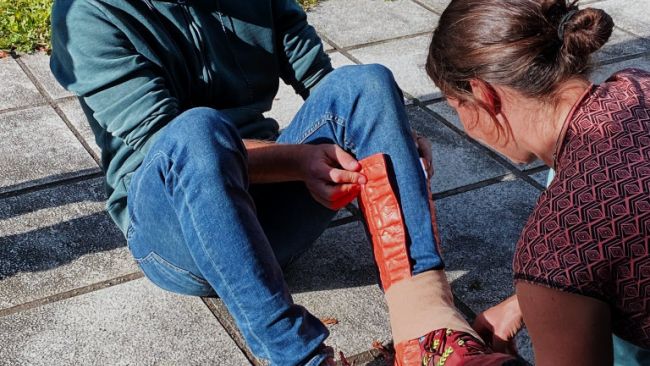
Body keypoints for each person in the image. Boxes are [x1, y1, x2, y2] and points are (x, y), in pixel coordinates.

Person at [49, 0, 522, 365]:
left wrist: (385, 131)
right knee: (196, 130)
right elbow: (163, 143)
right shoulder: (87, 15)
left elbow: (322, 79)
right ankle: (299, 356)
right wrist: (297, 161)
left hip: (270, 217)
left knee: (368, 84)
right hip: (174, 238)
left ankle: (430, 331)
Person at [426, 0, 650, 365]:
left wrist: (548, 293)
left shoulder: (553, 249)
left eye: (456, 107)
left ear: (484, 94)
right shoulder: (635, 83)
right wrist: (529, 303)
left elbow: (582, 249)